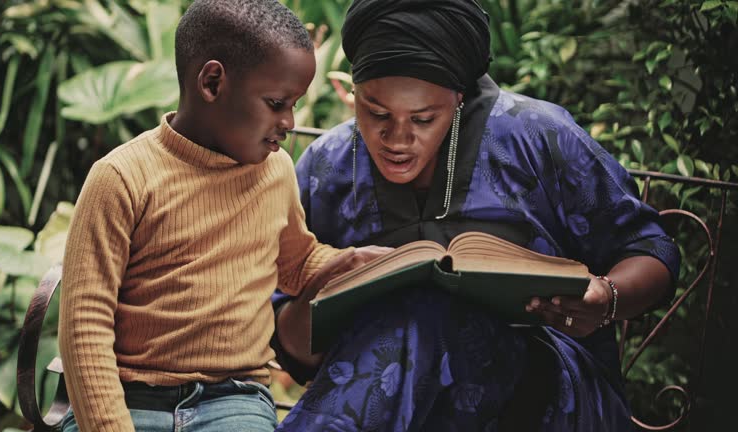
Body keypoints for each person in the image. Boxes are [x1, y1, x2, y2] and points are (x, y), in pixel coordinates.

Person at [271, 0, 681, 430]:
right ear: (352, 92)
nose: (397, 138)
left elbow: (652, 250)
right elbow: (292, 346)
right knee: (412, 321)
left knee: (433, 317)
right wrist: (325, 286)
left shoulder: (538, 137)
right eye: (375, 113)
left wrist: (606, 298)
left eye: (424, 118)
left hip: (546, 394)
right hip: (391, 401)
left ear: (459, 99)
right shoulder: (327, 167)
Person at [57, 1, 389, 431]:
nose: (288, 120)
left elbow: (294, 265)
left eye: (293, 105)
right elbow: (84, 329)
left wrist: (349, 265)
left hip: (232, 399)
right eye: (276, 102)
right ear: (212, 82)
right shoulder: (121, 177)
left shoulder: (275, 171)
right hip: (128, 397)